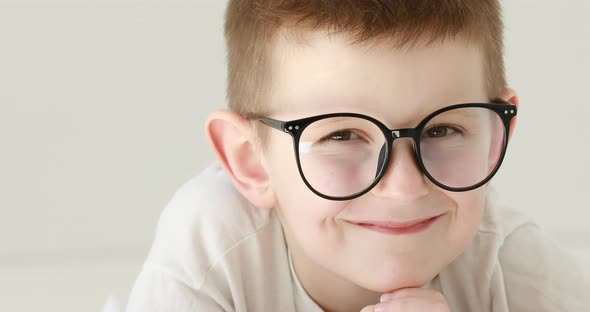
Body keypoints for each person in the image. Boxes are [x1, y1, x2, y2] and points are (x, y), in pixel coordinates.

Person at [126, 1, 589, 311]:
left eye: (444, 129)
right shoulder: (212, 247)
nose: (405, 187)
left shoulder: (513, 267)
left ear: (494, 135)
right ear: (251, 161)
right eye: (343, 135)